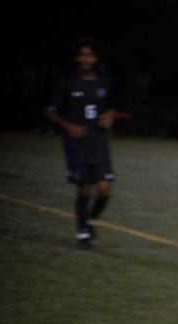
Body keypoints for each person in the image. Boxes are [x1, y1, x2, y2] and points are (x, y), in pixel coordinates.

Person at [45, 37, 116, 249]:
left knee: (104, 190)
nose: (86, 59)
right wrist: (68, 126)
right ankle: (83, 233)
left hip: (99, 141)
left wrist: (111, 115)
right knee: (84, 189)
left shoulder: (104, 82)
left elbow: (112, 106)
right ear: (77, 58)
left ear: (95, 58)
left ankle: (90, 220)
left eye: (90, 55)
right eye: (82, 55)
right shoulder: (66, 83)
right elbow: (50, 111)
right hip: (76, 143)